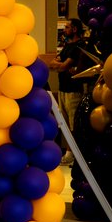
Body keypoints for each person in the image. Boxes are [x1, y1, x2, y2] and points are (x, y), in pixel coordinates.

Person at [49, 18, 86, 164]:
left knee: (73, 125)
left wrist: (60, 65)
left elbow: (63, 66)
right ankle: (68, 151)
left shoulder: (79, 46)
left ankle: (73, 154)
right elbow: (52, 64)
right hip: (63, 89)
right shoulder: (66, 46)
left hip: (74, 90)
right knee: (63, 124)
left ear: (75, 29)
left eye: (67, 27)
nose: (64, 30)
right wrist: (59, 65)